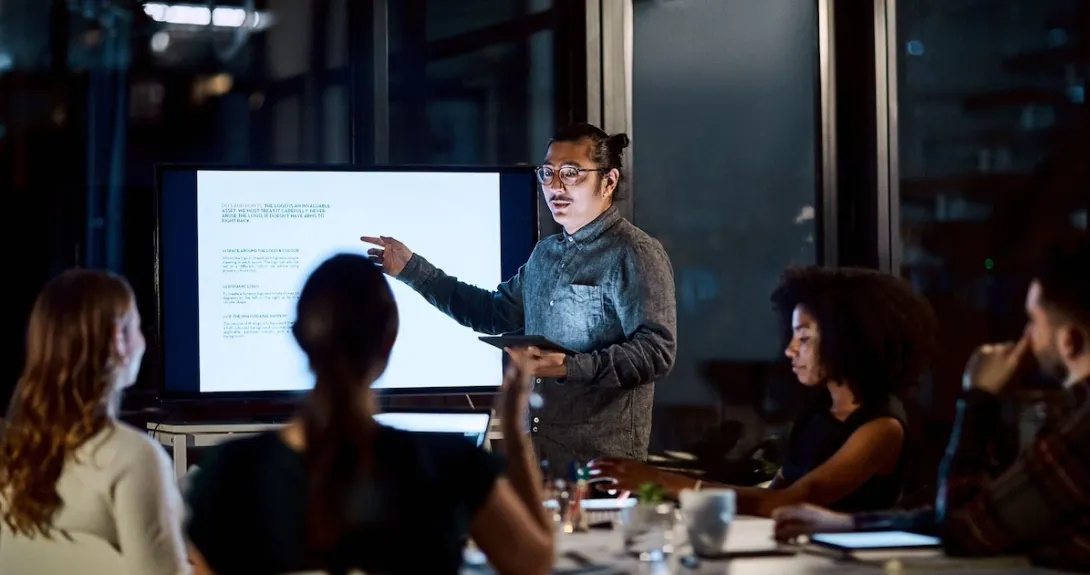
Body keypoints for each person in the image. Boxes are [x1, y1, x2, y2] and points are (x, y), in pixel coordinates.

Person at [185, 254, 554, 575]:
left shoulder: (227, 473)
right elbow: (534, 563)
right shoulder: (451, 466)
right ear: (389, 342)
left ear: (299, 338)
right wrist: (513, 424)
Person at [361, 123, 677, 472]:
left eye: (571, 174)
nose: (555, 186)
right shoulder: (545, 254)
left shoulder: (634, 253)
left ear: (609, 181)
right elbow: (495, 313)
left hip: (602, 467)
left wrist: (568, 366)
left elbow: (656, 351)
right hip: (537, 460)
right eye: (547, 173)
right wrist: (413, 270)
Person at [772, 234, 1090, 571]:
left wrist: (978, 400)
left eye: (1033, 322)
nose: (1027, 337)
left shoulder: (1082, 434)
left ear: (1069, 340)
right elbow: (988, 513)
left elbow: (965, 530)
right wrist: (848, 525)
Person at [590, 267, 938, 516]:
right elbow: (773, 493)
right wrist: (657, 487)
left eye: (804, 338)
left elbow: (792, 502)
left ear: (846, 340)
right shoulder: (820, 411)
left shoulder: (881, 427)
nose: (790, 350)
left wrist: (665, 482)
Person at [0, 270, 189, 574]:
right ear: (119, 340)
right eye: (139, 327)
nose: (143, 341)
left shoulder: (12, 450)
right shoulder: (133, 457)